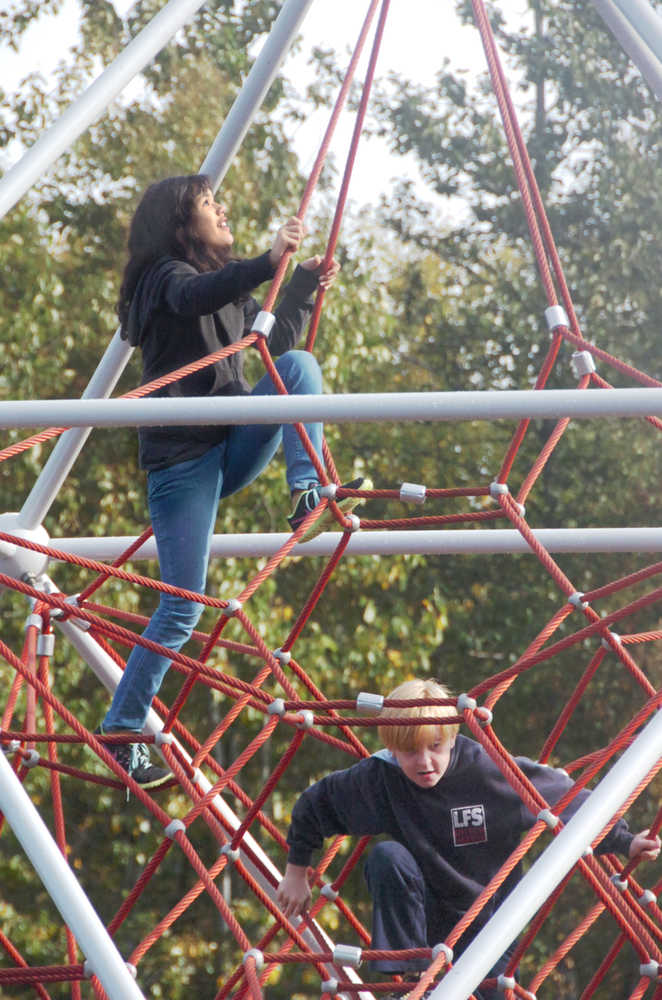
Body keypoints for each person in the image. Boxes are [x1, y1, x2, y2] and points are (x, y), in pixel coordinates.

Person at [98, 174, 362, 788]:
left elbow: (270, 343)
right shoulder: (164, 279)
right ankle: (122, 725)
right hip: (184, 463)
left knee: (297, 366)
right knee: (181, 608)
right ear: (182, 225)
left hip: (233, 440)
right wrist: (266, 261)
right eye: (210, 204)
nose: (223, 209)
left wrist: (296, 284)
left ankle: (306, 488)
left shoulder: (224, 291)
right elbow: (197, 297)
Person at [276, 678, 661, 999]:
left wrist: (624, 841)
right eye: (409, 753)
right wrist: (296, 870)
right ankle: (410, 980)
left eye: (435, 747)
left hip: (492, 919)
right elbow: (316, 804)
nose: (424, 762)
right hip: (426, 917)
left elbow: (565, 797)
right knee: (387, 857)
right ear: (392, 749)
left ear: (452, 736)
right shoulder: (380, 778)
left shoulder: (486, 771)